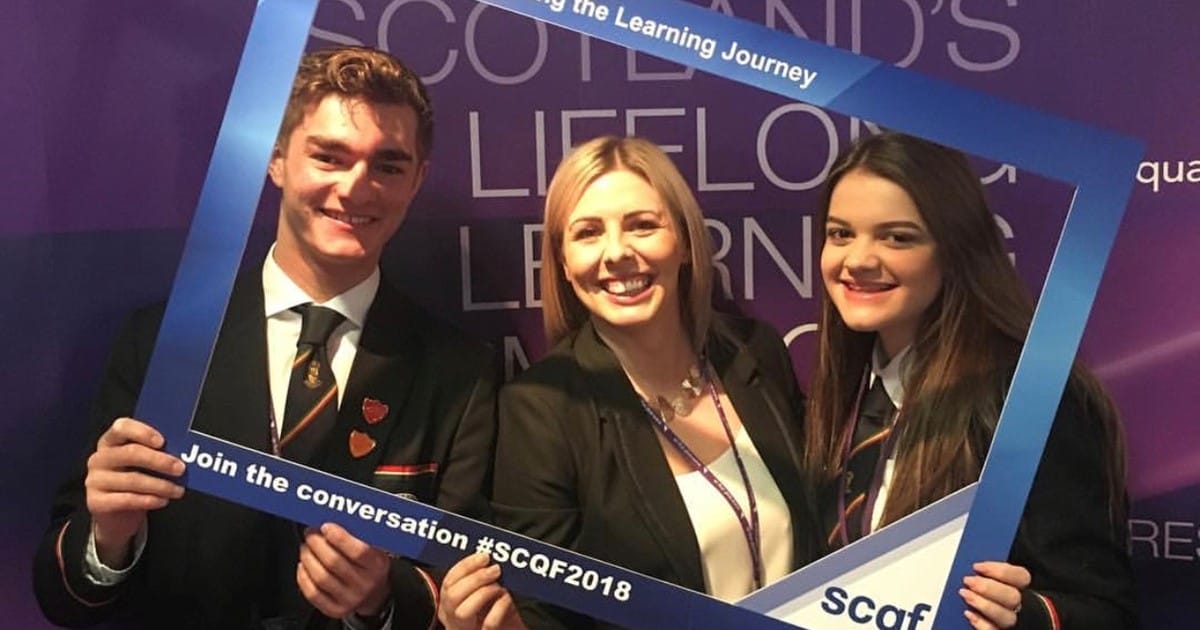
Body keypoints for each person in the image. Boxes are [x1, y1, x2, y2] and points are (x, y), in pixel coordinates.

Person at [33, 46, 497, 629]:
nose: (356, 187)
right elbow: (65, 599)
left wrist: (382, 600)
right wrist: (109, 536)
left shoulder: (460, 372)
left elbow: (461, 586)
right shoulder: (162, 344)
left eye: (388, 165)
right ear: (277, 160)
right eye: (328, 157)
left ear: (417, 181)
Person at [435, 136, 822, 629]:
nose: (617, 253)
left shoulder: (755, 351)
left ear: (683, 241)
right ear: (563, 264)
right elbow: (546, 614)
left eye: (642, 225)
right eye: (588, 233)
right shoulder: (540, 409)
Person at [806, 131, 1135, 629]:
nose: (857, 260)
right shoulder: (843, 392)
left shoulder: (1027, 398)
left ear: (954, 248)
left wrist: (1021, 616)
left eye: (897, 236)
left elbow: (1106, 612)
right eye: (840, 233)